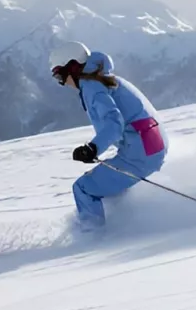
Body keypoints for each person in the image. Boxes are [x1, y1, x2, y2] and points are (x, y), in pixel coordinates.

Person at [49, 40, 167, 230]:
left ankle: (92, 238)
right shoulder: (104, 78)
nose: (63, 84)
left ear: (72, 68)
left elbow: (114, 123)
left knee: (84, 188)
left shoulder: (91, 86)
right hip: (152, 144)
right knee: (109, 189)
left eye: (60, 76)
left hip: (141, 151)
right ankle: (125, 228)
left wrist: (92, 148)